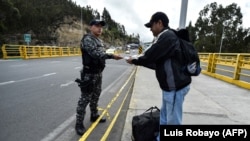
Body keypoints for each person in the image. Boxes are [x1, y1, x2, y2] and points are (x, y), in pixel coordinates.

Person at [126, 12, 191, 140]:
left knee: (173, 122)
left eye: (151, 25)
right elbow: (156, 62)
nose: (150, 29)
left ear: (159, 23)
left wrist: (134, 60)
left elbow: (150, 54)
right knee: (164, 117)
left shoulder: (166, 37)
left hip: (175, 87)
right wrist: (139, 61)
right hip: (170, 87)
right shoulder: (168, 37)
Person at [75, 19, 123, 136]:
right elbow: (96, 54)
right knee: (85, 99)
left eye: (101, 26)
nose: (100, 28)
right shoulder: (87, 40)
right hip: (89, 74)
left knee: (96, 95)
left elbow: (101, 54)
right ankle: (79, 123)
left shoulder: (99, 40)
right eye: (97, 26)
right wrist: (112, 56)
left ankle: (94, 114)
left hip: (98, 73)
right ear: (91, 27)